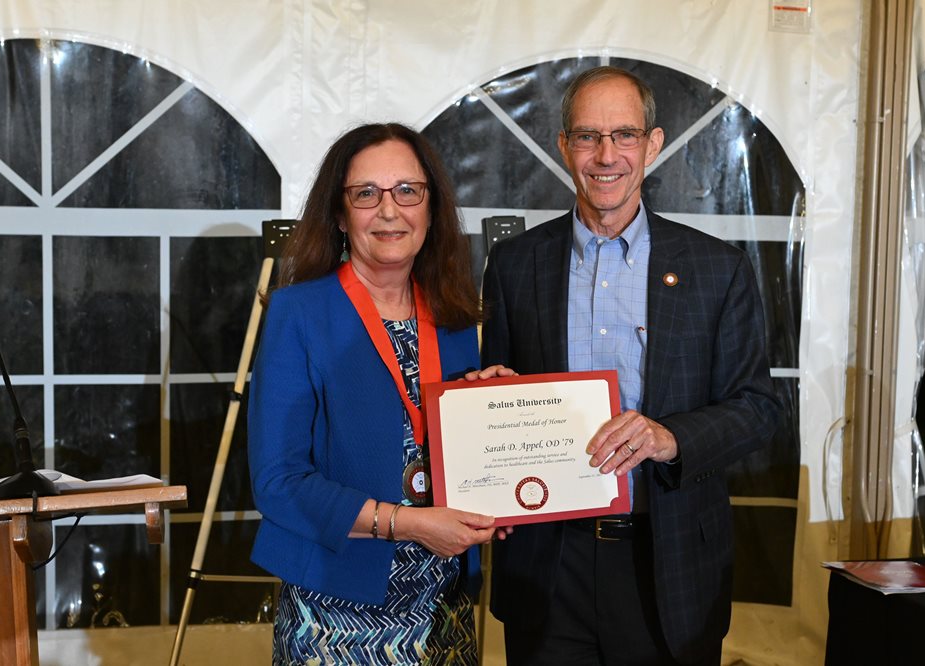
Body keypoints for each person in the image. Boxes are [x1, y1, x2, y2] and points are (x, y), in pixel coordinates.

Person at [480, 66, 780, 665]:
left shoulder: (717, 270)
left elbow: (758, 408)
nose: (606, 155)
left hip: (668, 565)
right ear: (564, 146)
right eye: (588, 136)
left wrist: (669, 437)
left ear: (654, 143)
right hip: (548, 564)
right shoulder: (514, 265)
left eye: (624, 135)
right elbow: (496, 395)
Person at [248, 123, 499, 665]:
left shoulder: (456, 318)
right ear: (340, 215)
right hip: (335, 616)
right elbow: (278, 483)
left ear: (432, 208)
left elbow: (456, 457)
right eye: (367, 194)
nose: (390, 210)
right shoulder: (299, 313)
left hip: (443, 611)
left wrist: (494, 408)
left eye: (408, 190)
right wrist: (408, 524)